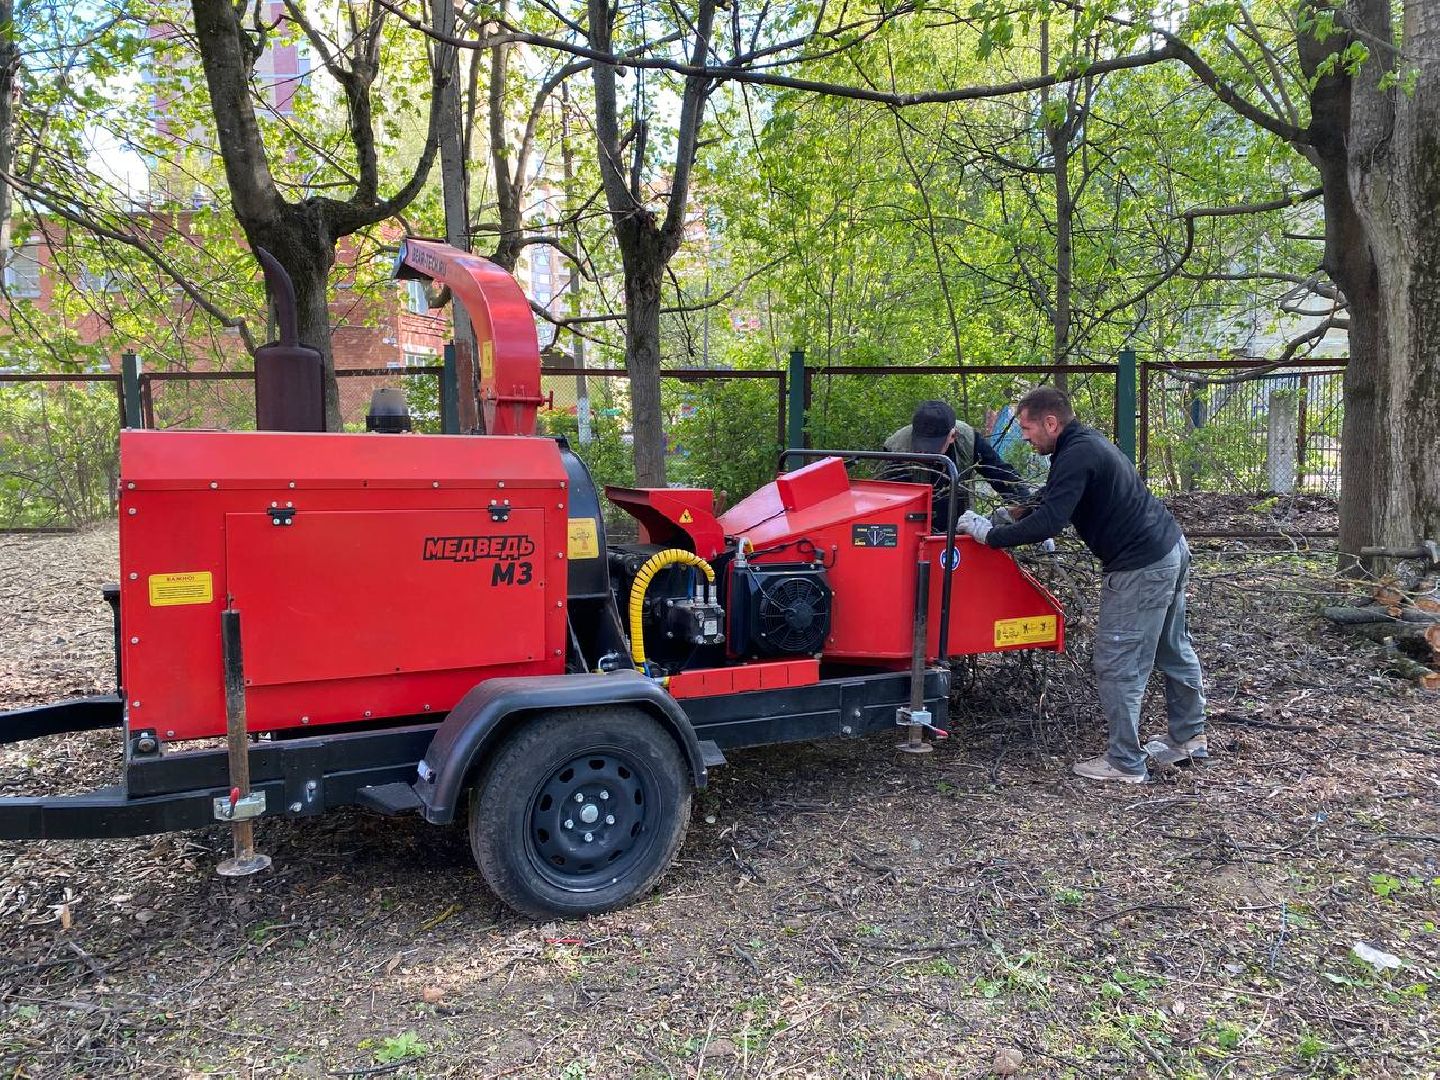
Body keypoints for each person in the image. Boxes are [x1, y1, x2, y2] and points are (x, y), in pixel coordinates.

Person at [953, 386, 1207, 783]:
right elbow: (1052, 497)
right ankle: (1189, 738)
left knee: (1118, 661)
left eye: (1027, 428)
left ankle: (1125, 762)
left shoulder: (1077, 453)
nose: (1024, 436)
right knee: (1172, 647)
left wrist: (989, 535)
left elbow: (1050, 521)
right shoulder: (1081, 445)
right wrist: (1005, 515)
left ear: (1051, 422)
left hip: (1141, 565)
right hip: (1169, 548)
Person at [882, 400, 1033, 525]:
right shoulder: (896, 448)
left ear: (953, 436)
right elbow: (887, 501)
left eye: (933, 446)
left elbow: (1002, 475)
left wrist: (1028, 508)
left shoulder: (968, 440)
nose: (924, 451)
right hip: (910, 524)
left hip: (957, 522)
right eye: (921, 444)